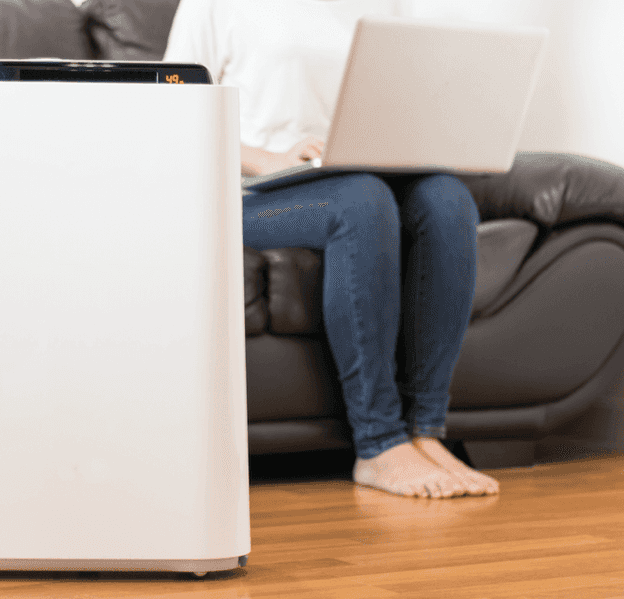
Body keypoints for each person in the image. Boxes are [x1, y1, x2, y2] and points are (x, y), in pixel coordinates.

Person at [164, 0, 499, 499]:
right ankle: (379, 444)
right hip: (250, 192)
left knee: (446, 200)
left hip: (349, 176)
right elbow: (173, 114)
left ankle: (425, 432)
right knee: (361, 200)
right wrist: (269, 158)